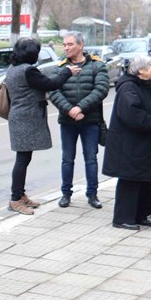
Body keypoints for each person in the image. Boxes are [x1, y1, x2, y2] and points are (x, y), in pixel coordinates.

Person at [5, 38, 69, 215]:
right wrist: (68, 71)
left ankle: (20, 195)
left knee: (24, 158)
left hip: (19, 117)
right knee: (22, 159)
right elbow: (52, 84)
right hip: (25, 118)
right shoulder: (28, 70)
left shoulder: (12, 68)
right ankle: (15, 199)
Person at [47, 31, 109, 209]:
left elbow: (101, 89)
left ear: (81, 45)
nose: (66, 48)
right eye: (64, 45)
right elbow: (54, 91)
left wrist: (80, 107)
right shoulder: (60, 67)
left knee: (91, 159)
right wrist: (70, 110)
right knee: (67, 159)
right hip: (68, 122)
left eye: (70, 44)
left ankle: (92, 194)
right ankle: (66, 194)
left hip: (90, 121)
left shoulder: (97, 65)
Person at [101, 55, 151, 229]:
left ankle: (139, 215)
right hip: (129, 145)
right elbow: (133, 116)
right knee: (130, 182)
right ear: (141, 70)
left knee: (142, 181)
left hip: (142, 144)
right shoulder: (128, 88)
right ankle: (122, 219)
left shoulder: (147, 86)